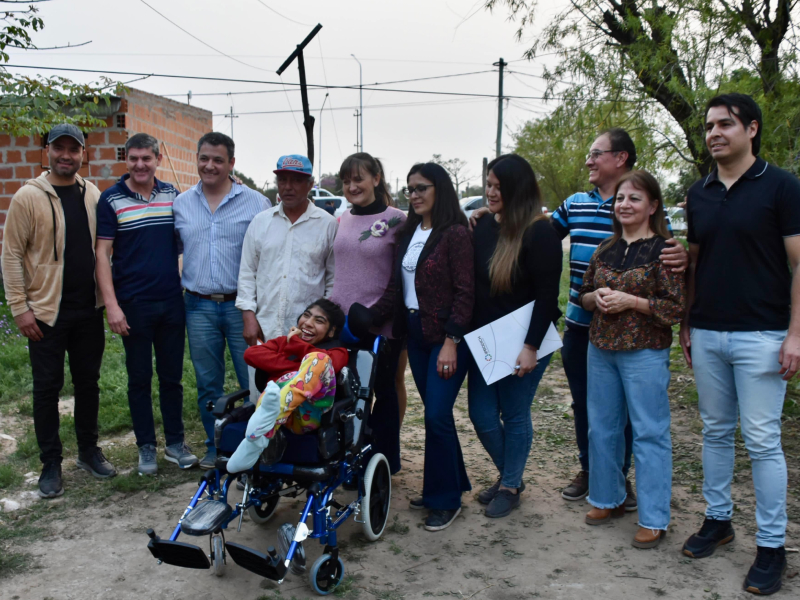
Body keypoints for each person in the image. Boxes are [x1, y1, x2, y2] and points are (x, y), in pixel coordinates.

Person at [471, 128, 688, 508]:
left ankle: (618, 479)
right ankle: (591, 472)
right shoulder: (574, 204)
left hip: (633, 331)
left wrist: (682, 255)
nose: (588, 160)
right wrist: (492, 216)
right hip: (579, 322)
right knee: (587, 406)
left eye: (596, 153)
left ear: (620, 158)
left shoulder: (640, 201)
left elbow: (665, 249)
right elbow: (532, 238)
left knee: (627, 414)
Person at [679, 93, 800, 595]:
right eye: (709, 126)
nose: (714, 133)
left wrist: (796, 333)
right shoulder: (699, 192)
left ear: (751, 129)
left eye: (725, 124)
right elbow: (694, 261)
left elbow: (799, 264)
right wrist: (686, 323)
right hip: (706, 331)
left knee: (763, 440)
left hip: (765, 335)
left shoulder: (782, 186)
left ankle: (772, 547)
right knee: (714, 431)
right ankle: (719, 520)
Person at [1, 124, 116, 498]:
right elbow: (12, 255)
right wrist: (20, 309)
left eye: (74, 149)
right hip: (45, 313)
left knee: (88, 383)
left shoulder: (92, 194)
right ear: (47, 151)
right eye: (59, 148)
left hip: (87, 310)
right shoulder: (27, 197)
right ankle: (50, 463)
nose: (66, 155)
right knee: (46, 389)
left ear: (83, 153)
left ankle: (88, 451)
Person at [579, 170, 684, 548]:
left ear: (653, 205)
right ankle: (607, 499)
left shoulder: (665, 251)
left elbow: (675, 308)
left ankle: (655, 518)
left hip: (644, 352)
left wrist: (632, 301)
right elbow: (584, 293)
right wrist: (598, 298)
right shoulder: (605, 248)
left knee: (649, 433)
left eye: (634, 198)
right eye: (621, 198)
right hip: (601, 348)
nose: (625, 204)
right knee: (601, 428)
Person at [96, 133, 198, 475]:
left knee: (171, 379)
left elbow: (190, 233)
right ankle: (146, 448)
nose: (140, 164)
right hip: (133, 305)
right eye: (134, 158)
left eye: (147, 158)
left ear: (157, 160)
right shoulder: (111, 200)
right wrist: (112, 306)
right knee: (138, 378)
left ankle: (174, 444)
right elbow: (102, 255)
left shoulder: (173, 195)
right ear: (126, 159)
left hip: (171, 302)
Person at [468, 154, 562, 518]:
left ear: (516, 190)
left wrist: (530, 348)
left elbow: (547, 298)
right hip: (487, 341)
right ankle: (513, 475)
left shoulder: (541, 233)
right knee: (482, 415)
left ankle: (509, 485)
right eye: (487, 185)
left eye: (496, 187)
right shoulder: (484, 226)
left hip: (525, 341)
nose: (489, 192)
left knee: (515, 413)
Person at [173, 132, 271, 469]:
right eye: (204, 158)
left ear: (231, 163)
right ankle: (216, 448)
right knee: (208, 384)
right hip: (198, 306)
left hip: (241, 307)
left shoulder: (257, 203)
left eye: (218, 159)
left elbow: (265, 255)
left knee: (256, 381)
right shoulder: (181, 204)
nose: (210, 165)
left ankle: (254, 448)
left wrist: (255, 308)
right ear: (196, 159)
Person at [386, 162, 474, 532]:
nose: (415, 195)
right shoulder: (409, 231)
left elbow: (466, 292)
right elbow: (397, 287)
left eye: (422, 187)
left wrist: (452, 341)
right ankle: (451, 483)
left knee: (437, 415)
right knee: (437, 416)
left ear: (440, 189)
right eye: (410, 189)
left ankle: (445, 500)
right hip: (415, 333)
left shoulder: (454, 233)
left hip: (446, 339)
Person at [329, 152, 406, 474]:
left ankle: (382, 463)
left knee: (382, 395)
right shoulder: (342, 218)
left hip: (379, 326)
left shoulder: (398, 219)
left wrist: (376, 317)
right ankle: (347, 457)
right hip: (341, 326)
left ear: (376, 178)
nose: (351, 186)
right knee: (344, 396)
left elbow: (401, 278)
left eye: (358, 179)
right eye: (346, 181)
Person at [226, 299, 348, 473]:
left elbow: (320, 368)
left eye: (319, 321)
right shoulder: (284, 341)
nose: (308, 323)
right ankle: (258, 438)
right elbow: (251, 354)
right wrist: (296, 368)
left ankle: (264, 426)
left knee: (319, 360)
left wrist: (297, 346)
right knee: (278, 387)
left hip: (307, 416)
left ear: (331, 332)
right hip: (274, 415)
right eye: (306, 315)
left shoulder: (337, 352)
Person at [237, 155, 338, 345]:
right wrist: (248, 316)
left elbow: (333, 279)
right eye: (282, 180)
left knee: (305, 376)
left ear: (310, 185)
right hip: (264, 329)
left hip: (308, 335)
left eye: (297, 180)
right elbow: (247, 273)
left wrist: (320, 323)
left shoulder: (328, 225)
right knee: (262, 376)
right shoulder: (260, 222)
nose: (288, 186)